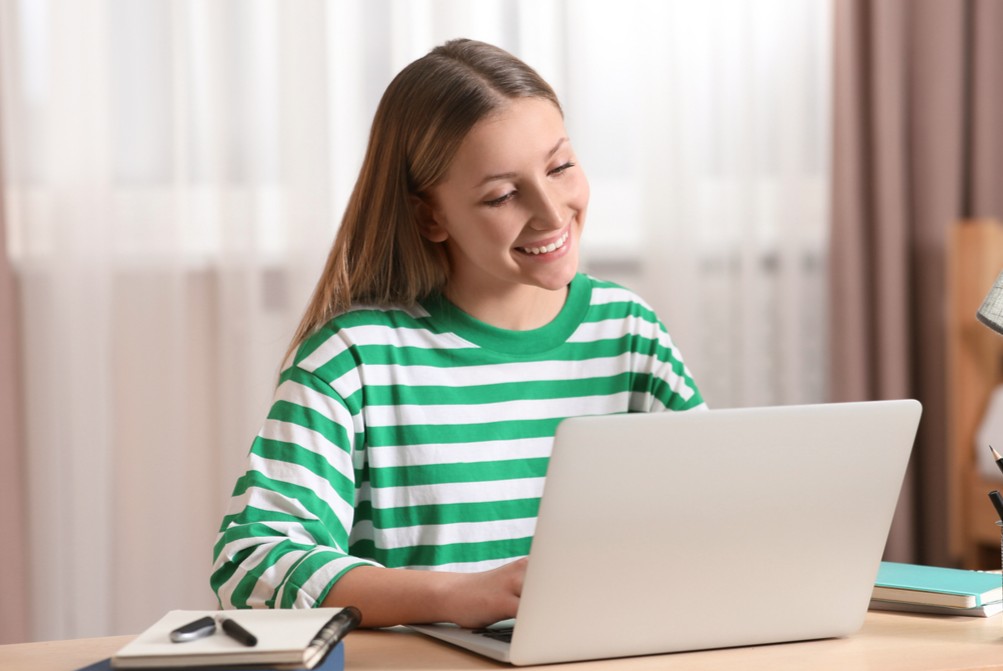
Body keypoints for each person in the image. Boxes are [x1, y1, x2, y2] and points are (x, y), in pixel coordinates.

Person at [211, 38, 705, 629]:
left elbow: (715, 513)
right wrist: (456, 598)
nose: (551, 213)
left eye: (560, 166)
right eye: (502, 194)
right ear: (430, 217)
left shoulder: (628, 334)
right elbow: (250, 566)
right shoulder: (355, 360)